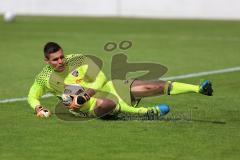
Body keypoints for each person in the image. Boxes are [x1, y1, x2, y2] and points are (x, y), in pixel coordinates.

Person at [28, 42, 213, 119]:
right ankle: (145, 112)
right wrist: (38, 107)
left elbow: (100, 76)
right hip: (89, 107)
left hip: (106, 88)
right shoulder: (44, 78)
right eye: (55, 59)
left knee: (152, 85)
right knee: (108, 104)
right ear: (47, 61)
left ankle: (198, 89)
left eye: (61, 57)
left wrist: (86, 93)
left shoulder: (76, 59)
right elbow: (32, 95)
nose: (60, 61)